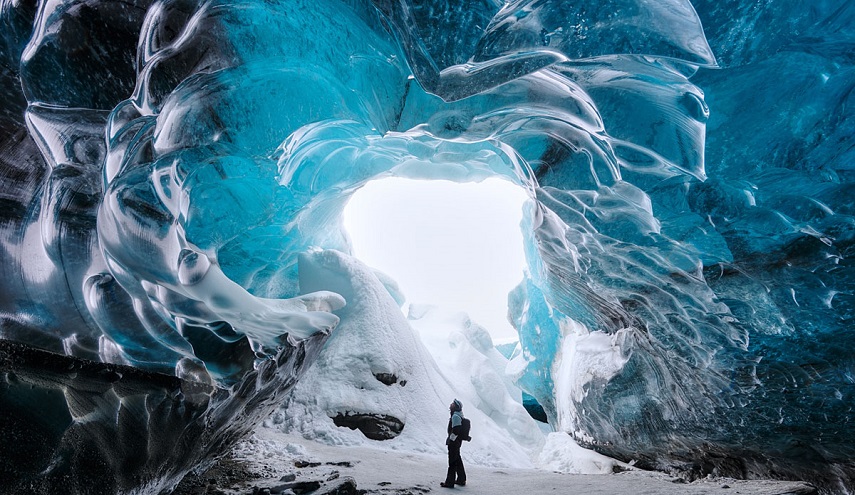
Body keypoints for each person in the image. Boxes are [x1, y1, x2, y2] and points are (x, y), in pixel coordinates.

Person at [441, 399, 467, 488]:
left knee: (452, 462)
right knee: (457, 459)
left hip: (454, 442)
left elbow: (456, 430)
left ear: (455, 407)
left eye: (452, 404)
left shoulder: (455, 416)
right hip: (458, 441)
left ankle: (449, 482)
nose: (450, 405)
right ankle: (461, 479)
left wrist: (451, 440)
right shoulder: (459, 415)